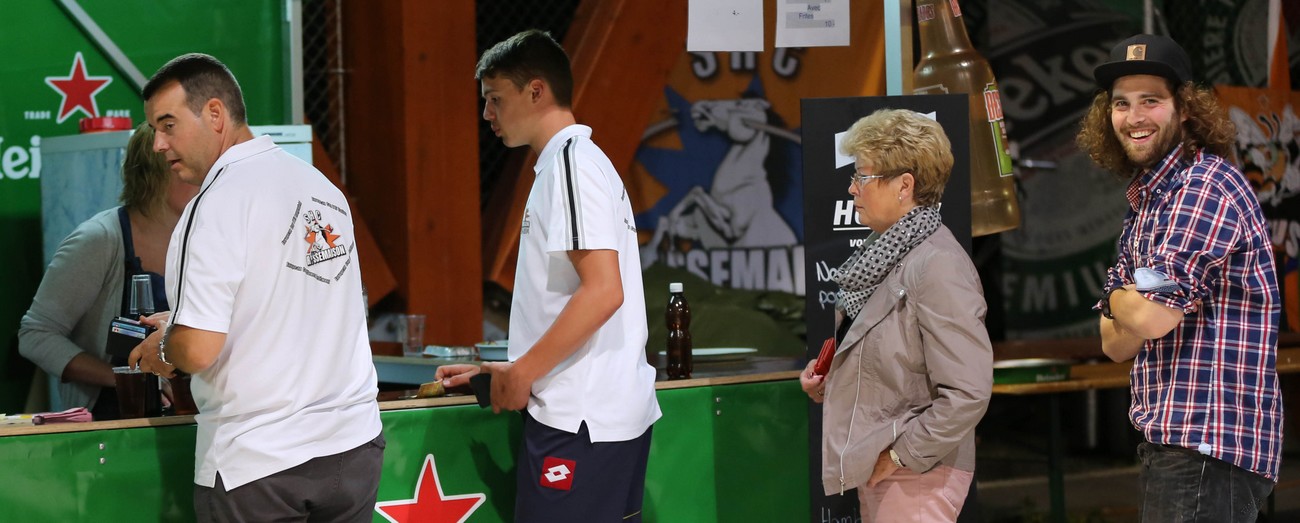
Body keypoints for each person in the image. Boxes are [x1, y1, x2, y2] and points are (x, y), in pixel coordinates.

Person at [127, 53, 383, 522]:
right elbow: (293, 302)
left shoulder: (216, 202)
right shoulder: (320, 185)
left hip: (260, 463)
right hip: (353, 451)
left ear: (215, 114)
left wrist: (165, 345)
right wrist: (185, 319)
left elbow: (197, 350)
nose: (159, 144)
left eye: (168, 125)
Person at [435, 30, 660, 522]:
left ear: (536, 91)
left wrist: (522, 373)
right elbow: (567, 300)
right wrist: (502, 371)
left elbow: (604, 291)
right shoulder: (574, 164)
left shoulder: (572, 166)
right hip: (594, 418)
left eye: (496, 99)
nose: (487, 114)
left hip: (581, 421)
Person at [1078, 33, 1281, 520]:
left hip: (1206, 445)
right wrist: (1128, 303)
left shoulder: (1203, 186)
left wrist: (1118, 296)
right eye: (1122, 103)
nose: (1134, 116)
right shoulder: (1148, 201)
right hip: (1178, 445)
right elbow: (1114, 345)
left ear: (1185, 108)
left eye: (1151, 100)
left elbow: (1151, 320)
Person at [799, 108, 993, 521]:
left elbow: (968, 392)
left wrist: (902, 455)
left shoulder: (937, 264)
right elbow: (891, 364)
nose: (852, 188)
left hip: (919, 472)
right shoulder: (888, 255)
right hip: (890, 466)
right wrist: (830, 378)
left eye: (861, 176)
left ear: (904, 185)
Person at [19, 122, 198, 421]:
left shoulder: (204, 237)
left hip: (190, 419)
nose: (203, 181)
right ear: (157, 174)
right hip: (111, 422)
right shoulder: (99, 239)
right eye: (189, 168)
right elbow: (35, 335)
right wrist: (124, 378)